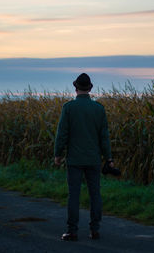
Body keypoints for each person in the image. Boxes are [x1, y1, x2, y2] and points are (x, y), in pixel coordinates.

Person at [54, 73, 114, 241]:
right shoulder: (99, 109)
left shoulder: (68, 108)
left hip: (74, 159)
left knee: (74, 195)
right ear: (90, 88)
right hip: (94, 159)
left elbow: (62, 134)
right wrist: (108, 158)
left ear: (75, 88)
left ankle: (72, 231)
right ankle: (95, 230)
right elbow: (104, 137)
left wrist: (58, 154)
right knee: (95, 194)